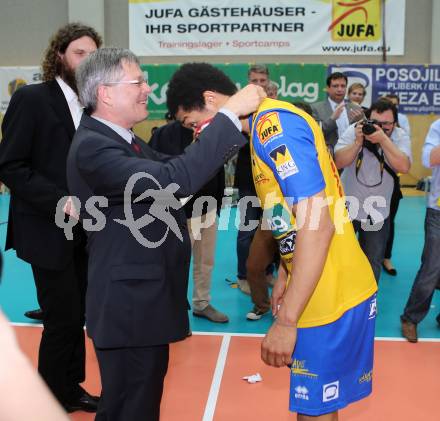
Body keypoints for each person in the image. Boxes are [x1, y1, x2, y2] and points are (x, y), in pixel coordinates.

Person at [166, 62, 378, 420]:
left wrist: (287, 322)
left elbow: (317, 225)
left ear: (211, 99)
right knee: (319, 408)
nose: (197, 136)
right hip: (316, 279)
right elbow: (294, 215)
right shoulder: (261, 130)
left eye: (194, 124)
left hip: (329, 290)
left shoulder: (272, 126)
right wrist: (285, 271)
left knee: (314, 411)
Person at [67, 48, 265, 421]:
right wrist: (226, 115)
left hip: (143, 301)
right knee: (130, 406)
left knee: (135, 403)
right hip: (129, 307)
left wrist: (225, 127)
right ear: (106, 93)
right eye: (138, 81)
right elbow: (172, 181)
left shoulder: (125, 140)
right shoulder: (95, 146)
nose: (147, 88)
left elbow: (178, 168)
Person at [0, 23, 102, 412]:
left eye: (93, 54)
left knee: (76, 316)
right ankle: (50, 397)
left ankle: (68, 388)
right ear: (60, 55)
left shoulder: (92, 104)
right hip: (47, 228)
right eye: (79, 52)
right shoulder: (32, 98)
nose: (87, 60)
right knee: (63, 317)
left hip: (86, 230)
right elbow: (10, 164)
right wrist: (59, 201)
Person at [149, 119, 229, 323]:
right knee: (176, 262)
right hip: (179, 212)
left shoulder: (210, 131)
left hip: (208, 207)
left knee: (206, 261)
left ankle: (202, 303)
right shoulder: (164, 134)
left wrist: (218, 202)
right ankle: (171, 308)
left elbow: (218, 166)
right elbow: (157, 168)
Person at [334, 100, 411, 282]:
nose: (382, 128)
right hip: (347, 207)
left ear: (395, 123)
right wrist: (357, 143)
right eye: (377, 123)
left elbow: (404, 166)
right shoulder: (355, 130)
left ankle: (368, 306)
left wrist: (383, 140)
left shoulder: (399, 136)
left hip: (377, 210)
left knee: (372, 261)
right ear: (368, 120)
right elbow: (338, 162)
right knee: (339, 258)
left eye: (387, 124)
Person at [235, 64, 275, 295]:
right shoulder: (239, 108)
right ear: (248, 81)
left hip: (272, 181)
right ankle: (243, 275)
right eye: (255, 80)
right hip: (249, 180)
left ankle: (267, 272)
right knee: (247, 230)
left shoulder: (275, 107)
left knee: (271, 229)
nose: (259, 84)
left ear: (267, 82)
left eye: (262, 80)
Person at [400, 119, 440, 343]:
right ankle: (410, 318)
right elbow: (429, 159)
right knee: (432, 267)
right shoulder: (438, 126)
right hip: (439, 209)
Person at [380, 94, 412, 275]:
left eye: (394, 106)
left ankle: (386, 256)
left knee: (389, 221)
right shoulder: (372, 122)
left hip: (392, 178)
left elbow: (404, 160)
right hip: (365, 183)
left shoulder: (401, 128)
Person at [312, 72, 364, 155]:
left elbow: (367, 133)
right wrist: (332, 119)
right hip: (328, 156)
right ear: (328, 88)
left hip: (352, 155)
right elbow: (316, 134)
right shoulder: (316, 108)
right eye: (335, 86)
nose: (339, 89)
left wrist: (359, 121)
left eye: (343, 86)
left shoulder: (355, 108)